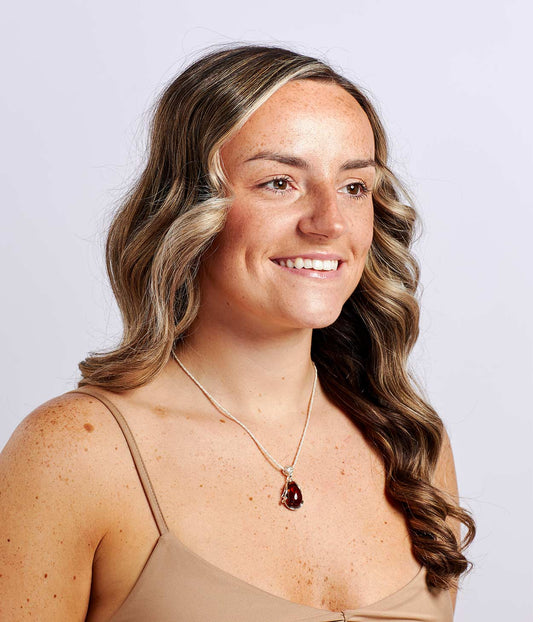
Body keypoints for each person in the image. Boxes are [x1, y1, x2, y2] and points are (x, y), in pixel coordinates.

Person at [0, 44, 475, 621]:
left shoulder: (411, 446)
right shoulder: (78, 451)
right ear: (187, 206)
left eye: (354, 186)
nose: (329, 223)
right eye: (279, 182)